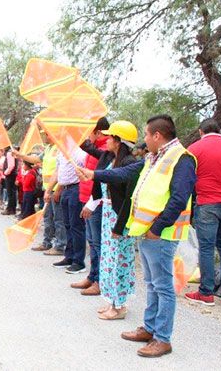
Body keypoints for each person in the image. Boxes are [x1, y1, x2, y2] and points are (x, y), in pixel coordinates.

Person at [78, 114, 196, 358]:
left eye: (146, 134)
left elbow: (179, 197)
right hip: (147, 231)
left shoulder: (182, 159)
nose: (143, 139)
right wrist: (94, 175)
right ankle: (150, 327)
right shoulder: (154, 157)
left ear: (157, 135)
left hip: (161, 233)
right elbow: (125, 173)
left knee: (163, 287)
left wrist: (157, 227)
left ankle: (162, 338)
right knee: (152, 284)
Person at [78, 121, 139, 315]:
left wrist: (119, 227)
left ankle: (119, 305)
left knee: (120, 260)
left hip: (119, 217)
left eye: (111, 137)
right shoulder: (107, 157)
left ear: (119, 141)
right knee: (108, 260)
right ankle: (111, 299)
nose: (107, 140)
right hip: (106, 214)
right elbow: (99, 175)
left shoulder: (130, 164)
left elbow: (128, 197)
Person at [185, 118, 221, 305]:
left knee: (206, 247)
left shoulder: (195, 148)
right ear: (220, 131)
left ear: (201, 132)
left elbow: (186, 178)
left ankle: (206, 292)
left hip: (207, 203)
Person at [72, 118, 109, 294]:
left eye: (89, 131)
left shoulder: (105, 150)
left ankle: (100, 281)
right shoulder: (96, 148)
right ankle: (92, 276)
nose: (87, 136)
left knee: (98, 243)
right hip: (86, 197)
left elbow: (100, 176)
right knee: (92, 242)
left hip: (96, 202)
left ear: (99, 132)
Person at [47, 147, 87, 274]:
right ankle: (69, 256)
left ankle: (78, 261)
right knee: (67, 225)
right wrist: (49, 189)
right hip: (65, 189)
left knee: (76, 226)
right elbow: (57, 172)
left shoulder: (79, 152)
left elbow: (86, 169)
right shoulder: (61, 152)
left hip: (76, 188)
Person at [1, 147, 18, 215]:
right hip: (13, 174)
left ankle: (9, 209)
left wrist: (5, 172)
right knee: (12, 193)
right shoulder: (12, 152)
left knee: (10, 193)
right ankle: (12, 209)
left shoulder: (9, 153)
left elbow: (11, 165)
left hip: (10, 175)